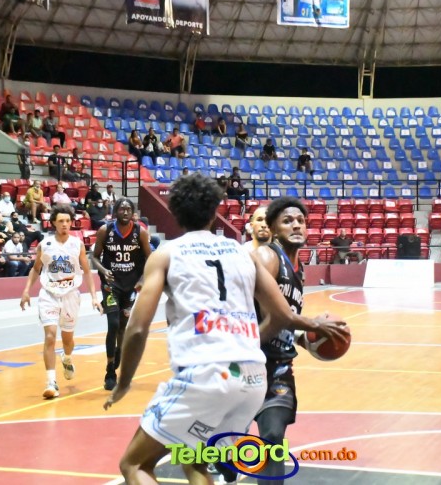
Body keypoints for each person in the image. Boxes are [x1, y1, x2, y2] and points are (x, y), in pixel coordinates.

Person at [102, 175, 347, 484]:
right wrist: (314, 324)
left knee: (134, 465)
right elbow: (282, 314)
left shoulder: (167, 253)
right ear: (215, 211)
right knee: (195, 461)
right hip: (252, 377)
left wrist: (124, 383)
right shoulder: (241, 253)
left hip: (205, 374)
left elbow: (137, 329)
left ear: (174, 213)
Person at [245, 196, 349, 484]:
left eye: (301, 221)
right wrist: (314, 325)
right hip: (246, 362)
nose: (296, 225)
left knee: (273, 436)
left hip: (278, 366)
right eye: (287, 221)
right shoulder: (268, 257)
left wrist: (306, 338)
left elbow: (284, 319)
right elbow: (277, 315)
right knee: (224, 446)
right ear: (273, 229)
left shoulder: (298, 268)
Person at [20, 205, 102, 399]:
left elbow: (87, 271)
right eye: (61, 221)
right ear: (54, 223)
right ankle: (51, 382)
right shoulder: (45, 245)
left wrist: (93, 296)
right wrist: (26, 291)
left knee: (67, 340)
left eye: (67, 221)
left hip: (71, 294)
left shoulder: (77, 244)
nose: (65, 224)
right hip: (49, 294)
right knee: (50, 336)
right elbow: (36, 269)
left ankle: (67, 357)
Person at [91, 198, 152, 390]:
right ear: (115, 211)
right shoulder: (105, 230)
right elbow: (94, 256)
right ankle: (110, 371)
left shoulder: (140, 232)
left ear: (133, 213)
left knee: (123, 327)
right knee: (113, 323)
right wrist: (103, 270)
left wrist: (142, 280)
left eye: (128, 209)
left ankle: (118, 352)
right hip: (111, 285)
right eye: (121, 209)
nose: (125, 212)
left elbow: (150, 259)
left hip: (131, 286)